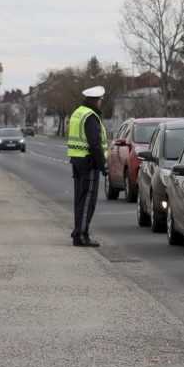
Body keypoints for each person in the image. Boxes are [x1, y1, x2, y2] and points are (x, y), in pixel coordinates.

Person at [67, 85, 108, 247]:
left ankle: (78, 231)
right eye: (100, 101)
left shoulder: (78, 112)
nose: (101, 104)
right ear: (96, 100)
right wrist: (102, 166)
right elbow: (95, 144)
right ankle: (81, 235)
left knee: (80, 199)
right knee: (87, 202)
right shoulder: (90, 116)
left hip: (77, 160)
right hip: (89, 162)